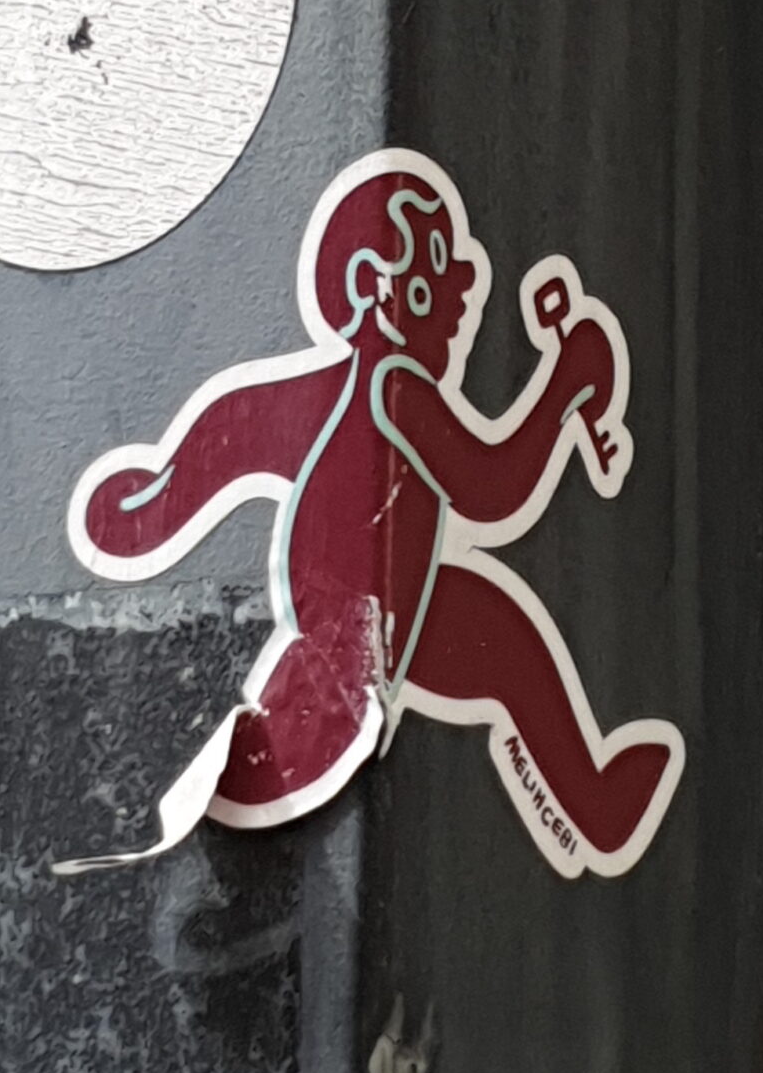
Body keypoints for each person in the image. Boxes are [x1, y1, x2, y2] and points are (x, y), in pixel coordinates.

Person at [67, 152, 683, 879]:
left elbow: (236, 427)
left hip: (403, 608)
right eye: (439, 263)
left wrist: (148, 506)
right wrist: (564, 384)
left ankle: (594, 800)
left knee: (510, 649)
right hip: (355, 635)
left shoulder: (350, 387)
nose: (465, 281)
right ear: (373, 289)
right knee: (509, 656)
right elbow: (493, 487)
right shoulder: (395, 387)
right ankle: (592, 800)